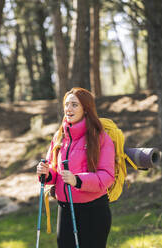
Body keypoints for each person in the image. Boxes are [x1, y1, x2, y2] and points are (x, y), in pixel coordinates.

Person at [37, 87, 115, 248]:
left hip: (93, 211)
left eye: (74, 105)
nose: (68, 109)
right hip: (65, 209)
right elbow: (55, 172)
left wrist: (77, 180)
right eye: (66, 104)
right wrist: (46, 173)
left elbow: (107, 176)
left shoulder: (100, 137)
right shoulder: (59, 136)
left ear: (86, 109)